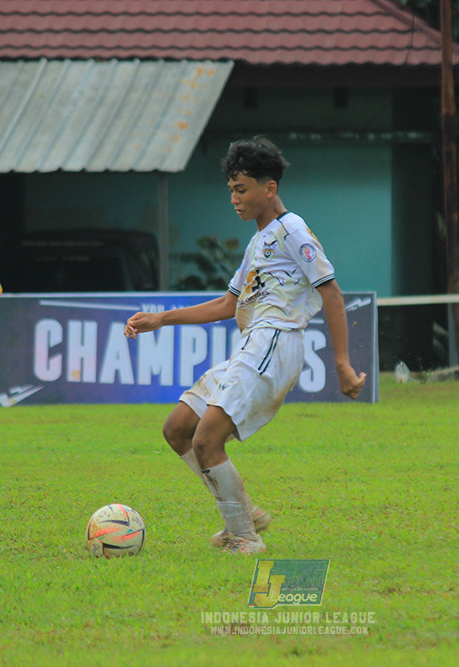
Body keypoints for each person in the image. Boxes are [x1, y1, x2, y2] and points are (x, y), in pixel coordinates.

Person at [124, 137, 366, 554]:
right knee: (178, 429)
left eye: (242, 189)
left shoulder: (291, 229)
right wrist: (160, 319)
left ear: (268, 189)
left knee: (206, 441)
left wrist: (342, 363)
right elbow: (227, 304)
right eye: (231, 190)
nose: (234, 199)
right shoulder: (258, 242)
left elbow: (332, 293)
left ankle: (244, 537)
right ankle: (244, 513)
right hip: (252, 347)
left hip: (274, 343)